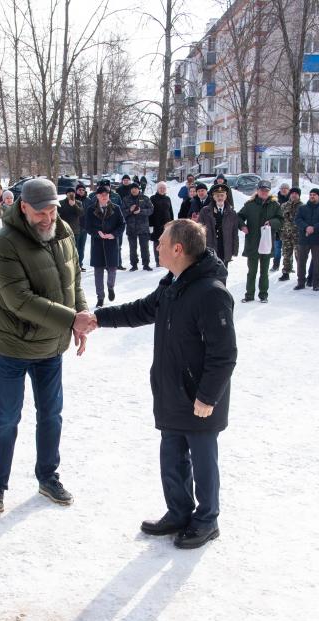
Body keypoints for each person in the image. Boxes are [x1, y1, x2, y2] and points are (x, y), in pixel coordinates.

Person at [81, 219, 237, 549]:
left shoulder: (211, 293)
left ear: (178, 249)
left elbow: (224, 354)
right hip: (170, 391)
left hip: (199, 397)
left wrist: (208, 396)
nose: (157, 245)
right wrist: (99, 318)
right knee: (172, 458)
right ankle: (179, 513)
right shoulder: (173, 284)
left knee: (203, 462)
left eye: (162, 242)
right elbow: (141, 310)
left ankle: (207, 520)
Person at [0, 178, 88, 515]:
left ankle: (48, 476)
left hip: (51, 348)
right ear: (23, 207)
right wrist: (71, 319)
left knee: (51, 415)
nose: (48, 218)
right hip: (12, 347)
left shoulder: (63, 231)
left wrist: (81, 315)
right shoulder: (5, 242)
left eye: (52, 210)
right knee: (7, 417)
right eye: (41, 212)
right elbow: (19, 299)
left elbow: (74, 279)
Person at [238, 180, 282, 302]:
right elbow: (239, 217)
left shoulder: (275, 205)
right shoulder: (249, 205)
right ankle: (249, 295)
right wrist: (242, 226)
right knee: (251, 271)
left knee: (264, 272)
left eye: (266, 191)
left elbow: (281, 220)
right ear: (257, 191)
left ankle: (263, 295)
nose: (264, 192)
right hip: (252, 242)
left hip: (267, 243)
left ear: (269, 192)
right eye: (262, 190)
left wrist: (272, 223)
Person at [84, 185, 126, 307]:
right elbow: (88, 227)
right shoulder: (91, 209)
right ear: (97, 196)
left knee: (112, 269)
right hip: (97, 244)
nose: (104, 197)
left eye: (106, 195)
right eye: (102, 195)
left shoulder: (116, 208)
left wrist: (113, 234)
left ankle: (110, 287)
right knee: (98, 272)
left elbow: (122, 224)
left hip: (111, 243)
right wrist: (97, 233)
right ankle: (100, 297)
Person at [294, 187, 319, 292]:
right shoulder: (302, 208)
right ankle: (301, 282)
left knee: (317, 262)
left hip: (317, 239)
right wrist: (306, 227)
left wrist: (314, 228)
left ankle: (315, 283)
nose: (312, 196)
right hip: (304, 238)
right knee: (301, 261)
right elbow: (297, 219)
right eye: (311, 194)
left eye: (314, 195)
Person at [198, 184, 240, 268]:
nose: (220, 198)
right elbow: (199, 231)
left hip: (225, 247)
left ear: (226, 196)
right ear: (213, 197)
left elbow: (235, 232)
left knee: (223, 271)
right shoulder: (205, 211)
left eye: (222, 195)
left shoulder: (232, 213)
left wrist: (235, 250)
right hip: (210, 247)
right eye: (217, 195)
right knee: (210, 272)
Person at [123, 182, 154, 271]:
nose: (134, 190)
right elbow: (122, 212)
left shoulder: (145, 198)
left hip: (143, 227)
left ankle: (146, 264)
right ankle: (134, 265)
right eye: (132, 188)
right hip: (131, 227)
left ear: (138, 189)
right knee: (132, 248)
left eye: (135, 188)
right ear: (130, 190)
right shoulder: (126, 199)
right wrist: (130, 210)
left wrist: (141, 211)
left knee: (144, 247)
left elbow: (151, 210)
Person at [277, 187, 302, 282]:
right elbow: (279, 218)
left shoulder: (302, 206)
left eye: (296, 193)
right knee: (286, 254)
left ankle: (301, 274)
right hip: (286, 234)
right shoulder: (284, 205)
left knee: (299, 256)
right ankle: (286, 272)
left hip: (298, 235)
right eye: (292, 193)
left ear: (299, 195)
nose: (294, 195)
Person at [59, 189, 85, 271]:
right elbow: (57, 214)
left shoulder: (78, 203)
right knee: (64, 249)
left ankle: (76, 266)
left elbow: (81, 213)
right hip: (64, 230)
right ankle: (65, 267)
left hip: (75, 231)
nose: (71, 194)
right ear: (66, 194)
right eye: (69, 193)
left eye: (73, 193)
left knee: (75, 249)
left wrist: (74, 205)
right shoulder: (61, 203)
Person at [150, 181, 175, 267]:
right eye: (160, 188)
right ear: (157, 189)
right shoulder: (152, 198)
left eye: (164, 188)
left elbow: (170, 211)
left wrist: (172, 223)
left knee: (167, 242)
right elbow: (150, 213)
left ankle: (166, 260)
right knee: (157, 243)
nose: (162, 189)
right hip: (156, 224)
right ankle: (158, 261)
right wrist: (150, 225)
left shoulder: (168, 198)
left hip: (167, 224)